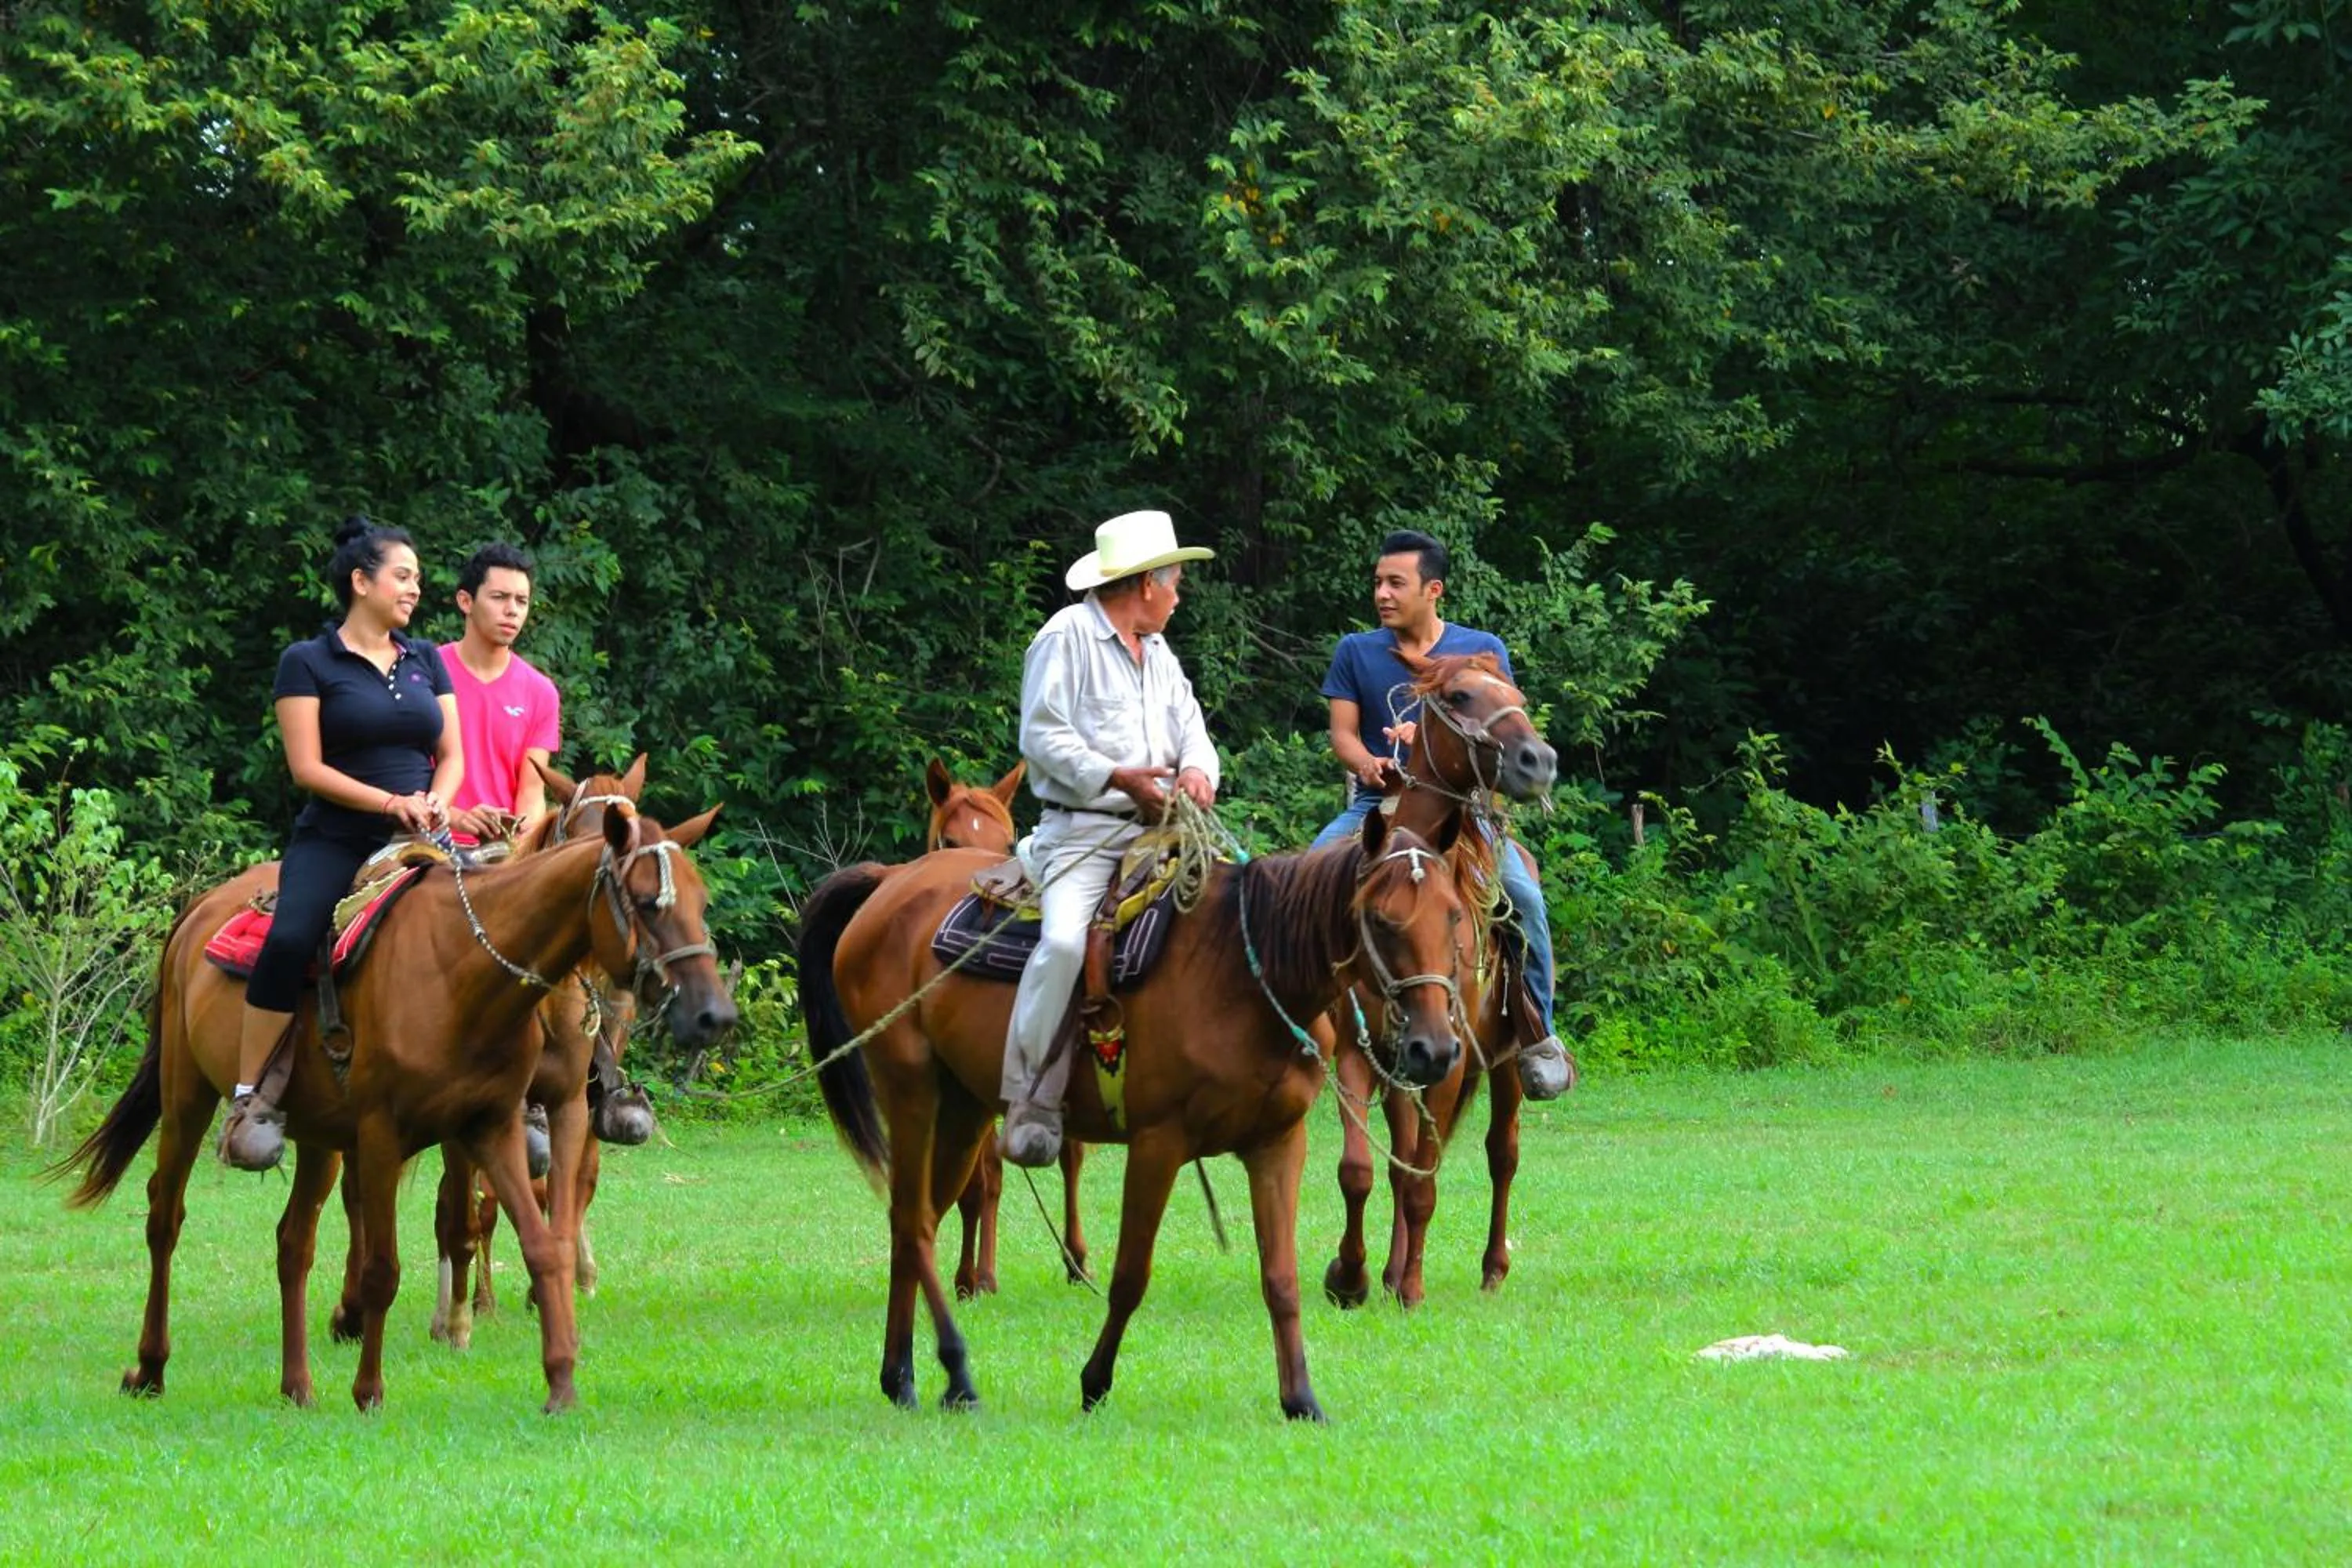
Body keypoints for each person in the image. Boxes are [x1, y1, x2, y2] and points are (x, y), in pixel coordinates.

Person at [220, 517, 462, 1171]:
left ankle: (519, 1090)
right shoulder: (307, 661)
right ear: (362, 581)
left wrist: (437, 797)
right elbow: (308, 768)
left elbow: (452, 753)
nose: (415, 590)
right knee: (293, 936)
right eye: (403, 576)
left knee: (500, 923)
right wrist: (389, 802)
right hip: (337, 837)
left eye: (418, 579)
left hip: (423, 837)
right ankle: (250, 1095)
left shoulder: (426, 658)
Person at [1310, 529, 1572, 1100]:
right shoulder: (1356, 650)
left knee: (1524, 897)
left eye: (1395, 583)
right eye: (1378, 581)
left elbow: (1504, 731)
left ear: (1433, 590)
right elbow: (1343, 737)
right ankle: (1294, 1032)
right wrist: (1371, 762)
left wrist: (1429, 735)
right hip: (1375, 806)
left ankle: (1538, 1032)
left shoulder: (1481, 651)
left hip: (1464, 810)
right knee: (1305, 876)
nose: (1382, 592)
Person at [1002, 510, 1220, 1167]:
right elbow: (1040, 737)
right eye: (1175, 583)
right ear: (1146, 583)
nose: (1179, 596)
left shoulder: (1157, 654)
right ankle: (1030, 1093)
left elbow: (1194, 731)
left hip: (1168, 832)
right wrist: (1117, 777)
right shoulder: (1064, 636)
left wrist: (1197, 773)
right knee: (1066, 941)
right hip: (1085, 834)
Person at [440, 542, 560, 844]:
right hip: (429, 842)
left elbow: (531, 792)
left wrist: (520, 850)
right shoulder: (425, 672)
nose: (512, 610)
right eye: (499, 597)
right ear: (466, 601)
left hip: (498, 854)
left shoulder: (540, 691)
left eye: (522, 600)